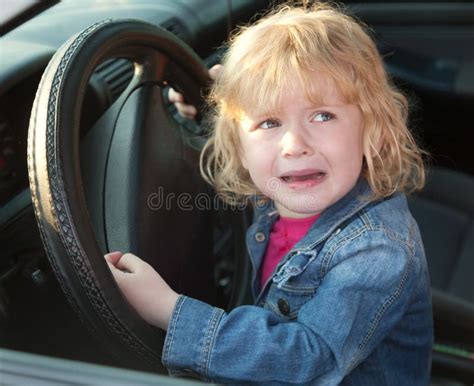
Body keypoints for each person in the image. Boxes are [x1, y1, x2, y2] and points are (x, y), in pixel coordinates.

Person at [104, 2, 433, 384]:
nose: (294, 144)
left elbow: (308, 361)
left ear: (371, 128)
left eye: (322, 116)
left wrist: (168, 309)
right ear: (238, 143)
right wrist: (208, 105)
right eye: (270, 122)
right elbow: (239, 124)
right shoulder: (284, 184)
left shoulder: (376, 250)